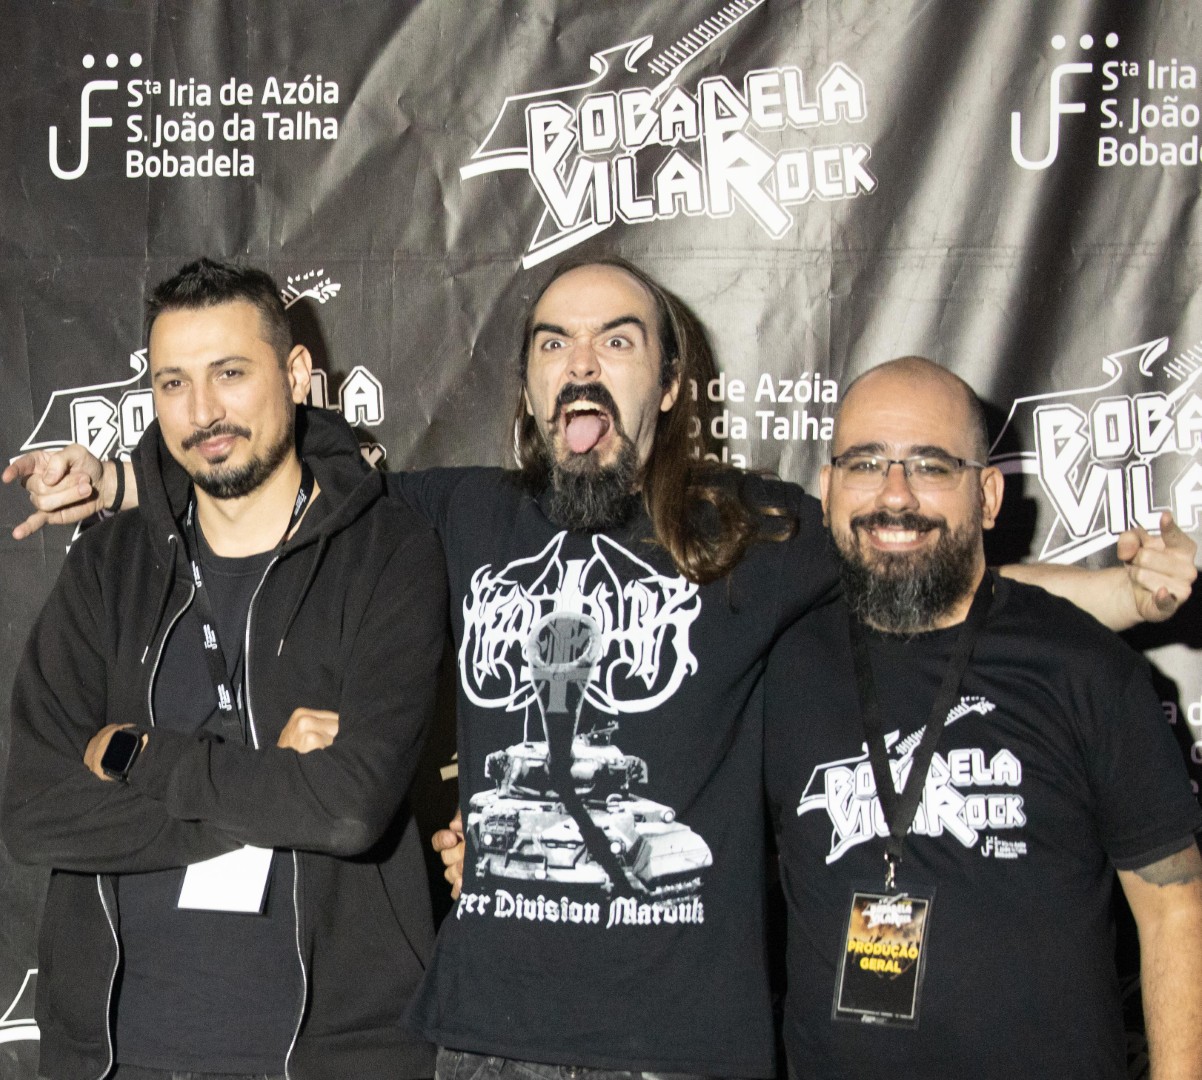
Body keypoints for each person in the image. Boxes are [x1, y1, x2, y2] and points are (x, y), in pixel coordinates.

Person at [6, 258, 1198, 1080]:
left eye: (616, 341)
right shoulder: (446, 517)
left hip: (678, 1047)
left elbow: (911, 556)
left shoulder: (745, 530)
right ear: (529, 387)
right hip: (480, 1040)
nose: (581, 362)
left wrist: (1114, 592)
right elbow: (270, 475)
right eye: (553, 343)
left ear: (667, 385)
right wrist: (122, 482)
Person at [2, 259, 448, 1080]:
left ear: (297, 375)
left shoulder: (389, 554)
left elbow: (350, 810)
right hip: (113, 1060)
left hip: (337, 1058)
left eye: (230, 373)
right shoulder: (108, 567)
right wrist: (274, 784)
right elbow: (35, 811)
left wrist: (140, 757)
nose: (202, 411)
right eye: (173, 383)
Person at [764, 356, 1202, 1079]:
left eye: (931, 466)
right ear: (828, 488)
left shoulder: (1083, 664)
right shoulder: (779, 664)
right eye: (866, 463)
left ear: (988, 496)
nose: (895, 494)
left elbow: (1174, 907)